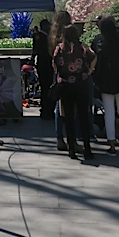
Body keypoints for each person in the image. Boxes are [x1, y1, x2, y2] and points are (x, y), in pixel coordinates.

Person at [52, 24, 96, 160]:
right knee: (83, 116)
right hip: (81, 83)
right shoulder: (82, 47)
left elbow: (54, 64)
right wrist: (88, 71)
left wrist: (60, 75)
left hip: (65, 85)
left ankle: (71, 149)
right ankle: (87, 148)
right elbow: (94, 57)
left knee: (68, 117)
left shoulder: (59, 48)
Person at [93, 16, 119, 155]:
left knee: (109, 112)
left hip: (106, 81)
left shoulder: (100, 42)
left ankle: (112, 144)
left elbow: (97, 63)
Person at [49, 10, 72, 149]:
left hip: (57, 70)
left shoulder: (53, 36)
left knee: (59, 105)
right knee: (70, 105)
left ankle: (59, 137)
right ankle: (72, 137)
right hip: (69, 71)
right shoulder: (68, 33)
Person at [33, 19, 54, 119]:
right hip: (46, 65)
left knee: (45, 88)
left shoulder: (40, 36)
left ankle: (46, 110)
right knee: (47, 88)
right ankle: (47, 110)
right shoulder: (43, 37)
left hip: (42, 65)